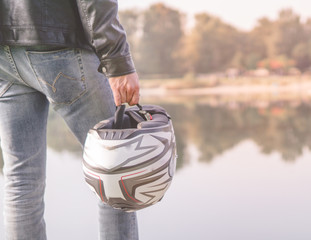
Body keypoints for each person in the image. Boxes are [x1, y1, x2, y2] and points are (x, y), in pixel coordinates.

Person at [0, 0, 140, 239]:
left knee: (20, 180)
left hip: (4, 52)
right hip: (60, 42)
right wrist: (117, 60)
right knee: (114, 174)